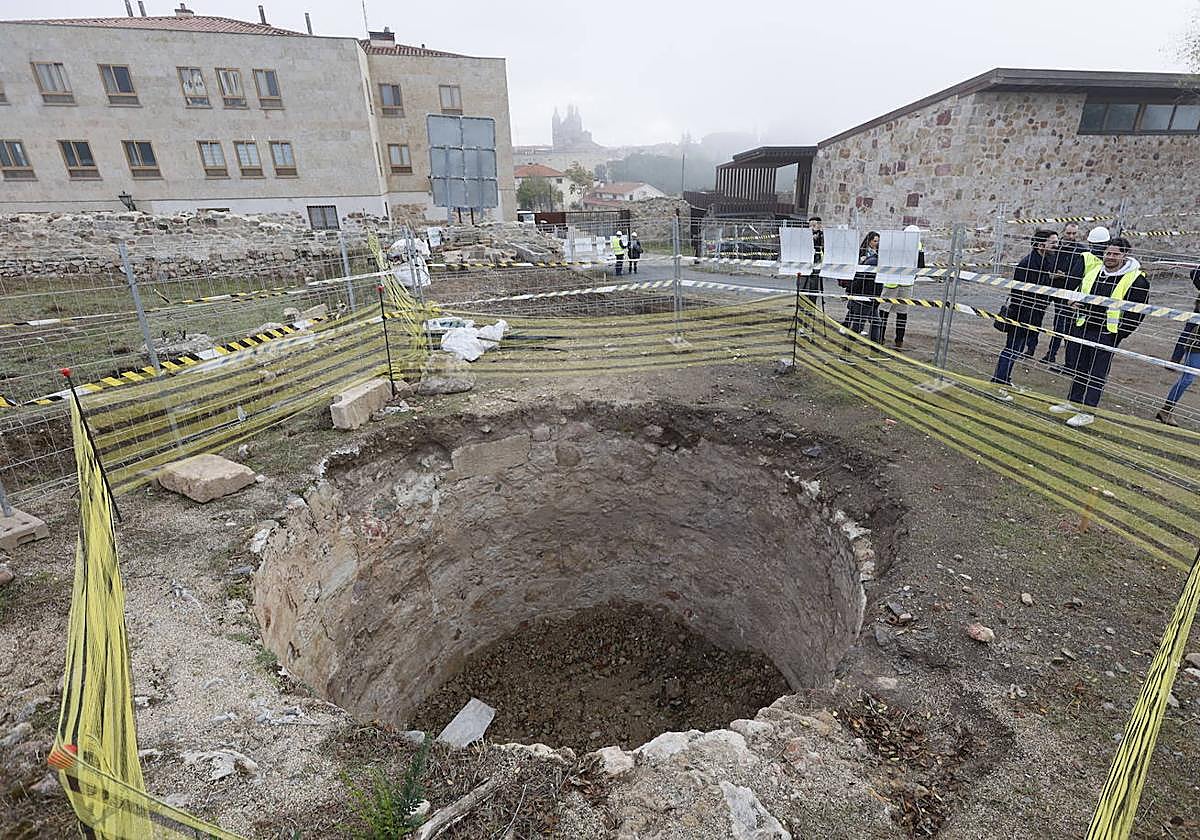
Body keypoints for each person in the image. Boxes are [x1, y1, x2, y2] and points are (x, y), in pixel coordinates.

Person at [1048, 236, 1150, 427]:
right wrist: (1073, 301)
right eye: (1107, 253)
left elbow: (1137, 314)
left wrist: (1119, 333)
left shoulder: (1136, 280)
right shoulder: (1095, 271)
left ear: (1125, 255)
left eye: (1115, 254)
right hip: (1084, 326)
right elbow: (1080, 290)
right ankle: (1074, 402)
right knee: (1080, 368)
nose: (1110, 257)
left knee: (1096, 373)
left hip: (1107, 333)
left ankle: (1088, 411)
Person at [991, 229, 1059, 388]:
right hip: (1022, 314)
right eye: (1053, 242)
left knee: (1017, 349)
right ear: (1041, 245)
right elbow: (1021, 294)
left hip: (1034, 314)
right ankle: (1000, 380)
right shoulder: (1027, 264)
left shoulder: (1046, 260)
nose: (1057, 245)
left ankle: (1003, 379)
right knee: (1012, 348)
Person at [1038, 222, 1086, 368]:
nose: (1071, 236)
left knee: (1064, 324)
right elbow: (1047, 267)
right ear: (1063, 232)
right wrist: (1052, 276)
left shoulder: (1081, 251)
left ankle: (1060, 358)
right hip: (1053, 289)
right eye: (1068, 233)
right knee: (1055, 322)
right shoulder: (1055, 249)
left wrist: (1067, 277)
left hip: (1069, 293)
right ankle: (1050, 353)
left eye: (1074, 234)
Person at [1157, 267, 1200, 426]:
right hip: (1197, 340)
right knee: (1188, 376)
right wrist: (1176, 358)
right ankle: (1166, 409)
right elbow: (1195, 273)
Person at [879, 224, 925, 349]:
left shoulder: (897, 242)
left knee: (886, 311)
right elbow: (921, 265)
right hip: (904, 282)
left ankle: (881, 337)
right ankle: (898, 340)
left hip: (894, 281)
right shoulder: (918, 244)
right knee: (900, 312)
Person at [845, 231, 879, 337]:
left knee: (873, 321)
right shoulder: (863, 254)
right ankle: (848, 345)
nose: (877, 243)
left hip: (871, 292)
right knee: (859, 322)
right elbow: (859, 275)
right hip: (863, 291)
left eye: (878, 241)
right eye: (875, 241)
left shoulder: (878, 255)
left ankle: (874, 346)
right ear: (869, 241)